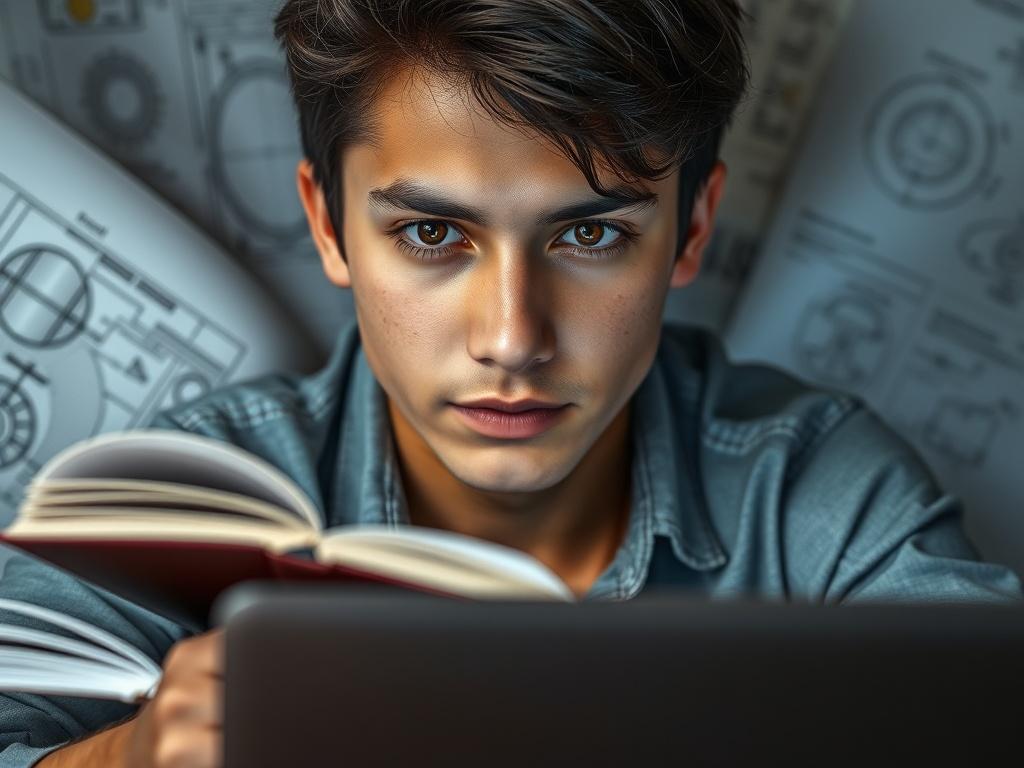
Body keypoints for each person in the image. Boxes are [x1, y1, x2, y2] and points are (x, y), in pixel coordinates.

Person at [2, 0, 1020, 765]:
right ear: (329, 225)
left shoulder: (815, 486)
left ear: (691, 229)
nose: (511, 338)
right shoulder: (172, 496)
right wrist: (130, 756)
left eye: (591, 236)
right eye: (430, 233)